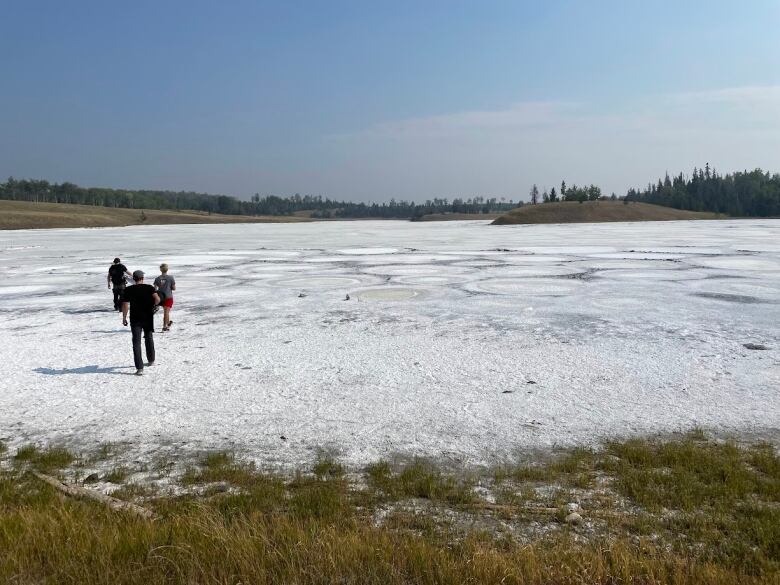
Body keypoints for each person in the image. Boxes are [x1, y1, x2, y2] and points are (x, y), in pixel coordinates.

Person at [121, 270, 159, 375]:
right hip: (147, 316)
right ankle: (151, 360)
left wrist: (124, 317)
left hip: (135, 318)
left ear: (134, 278)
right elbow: (157, 299)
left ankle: (140, 368)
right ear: (142, 278)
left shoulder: (128, 289)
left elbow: (125, 305)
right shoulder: (149, 288)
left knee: (136, 342)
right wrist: (154, 306)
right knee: (149, 337)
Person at [153, 263, 176, 332]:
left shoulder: (157, 278)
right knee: (166, 312)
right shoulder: (170, 278)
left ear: (160, 270)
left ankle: (168, 323)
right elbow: (174, 288)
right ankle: (164, 326)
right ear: (167, 269)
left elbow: (155, 289)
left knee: (166, 311)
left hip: (161, 297)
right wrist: (169, 286)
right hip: (168, 296)